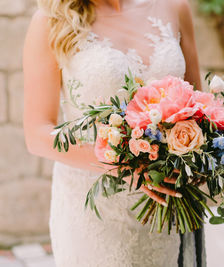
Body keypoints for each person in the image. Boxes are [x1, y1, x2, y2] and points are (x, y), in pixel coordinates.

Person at [23, 0, 204, 266]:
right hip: (94, 214)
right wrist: (126, 166)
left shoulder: (175, 8)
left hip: (164, 205)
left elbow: (199, 106)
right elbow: (37, 134)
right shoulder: (51, 20)